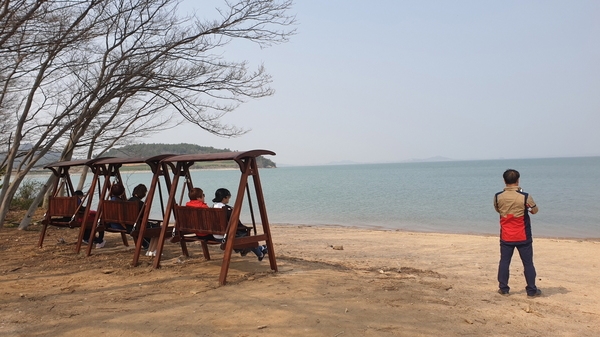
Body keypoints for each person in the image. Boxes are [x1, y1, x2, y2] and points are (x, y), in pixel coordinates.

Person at [494, 169, 541, 298]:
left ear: (504, 181)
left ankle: (503, 288)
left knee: (504, 261)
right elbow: (534, 210)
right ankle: (531, 290)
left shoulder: (498, 196)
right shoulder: (525, 196)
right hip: (523, 235)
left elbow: (497, 209)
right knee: (528, 263)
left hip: (506, 235)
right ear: (518, 180)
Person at [212, 188, 268, 261]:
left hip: (215, 235)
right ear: (224, 198)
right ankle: (260, 253)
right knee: (248, 239)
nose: (228, 199)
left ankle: (261, 250)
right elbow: (236, 222)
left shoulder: (212, 207)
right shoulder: (226, 209)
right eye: (228, 197)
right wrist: (245, 228)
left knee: (246, 239)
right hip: (225, 237)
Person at [127, 184, 154, 255]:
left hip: (128, 224)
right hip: (136, 225)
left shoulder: (128, 201)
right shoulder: (140, 204)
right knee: (153, 227)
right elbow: (144, 216)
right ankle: (149, 245)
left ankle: (146, 244)